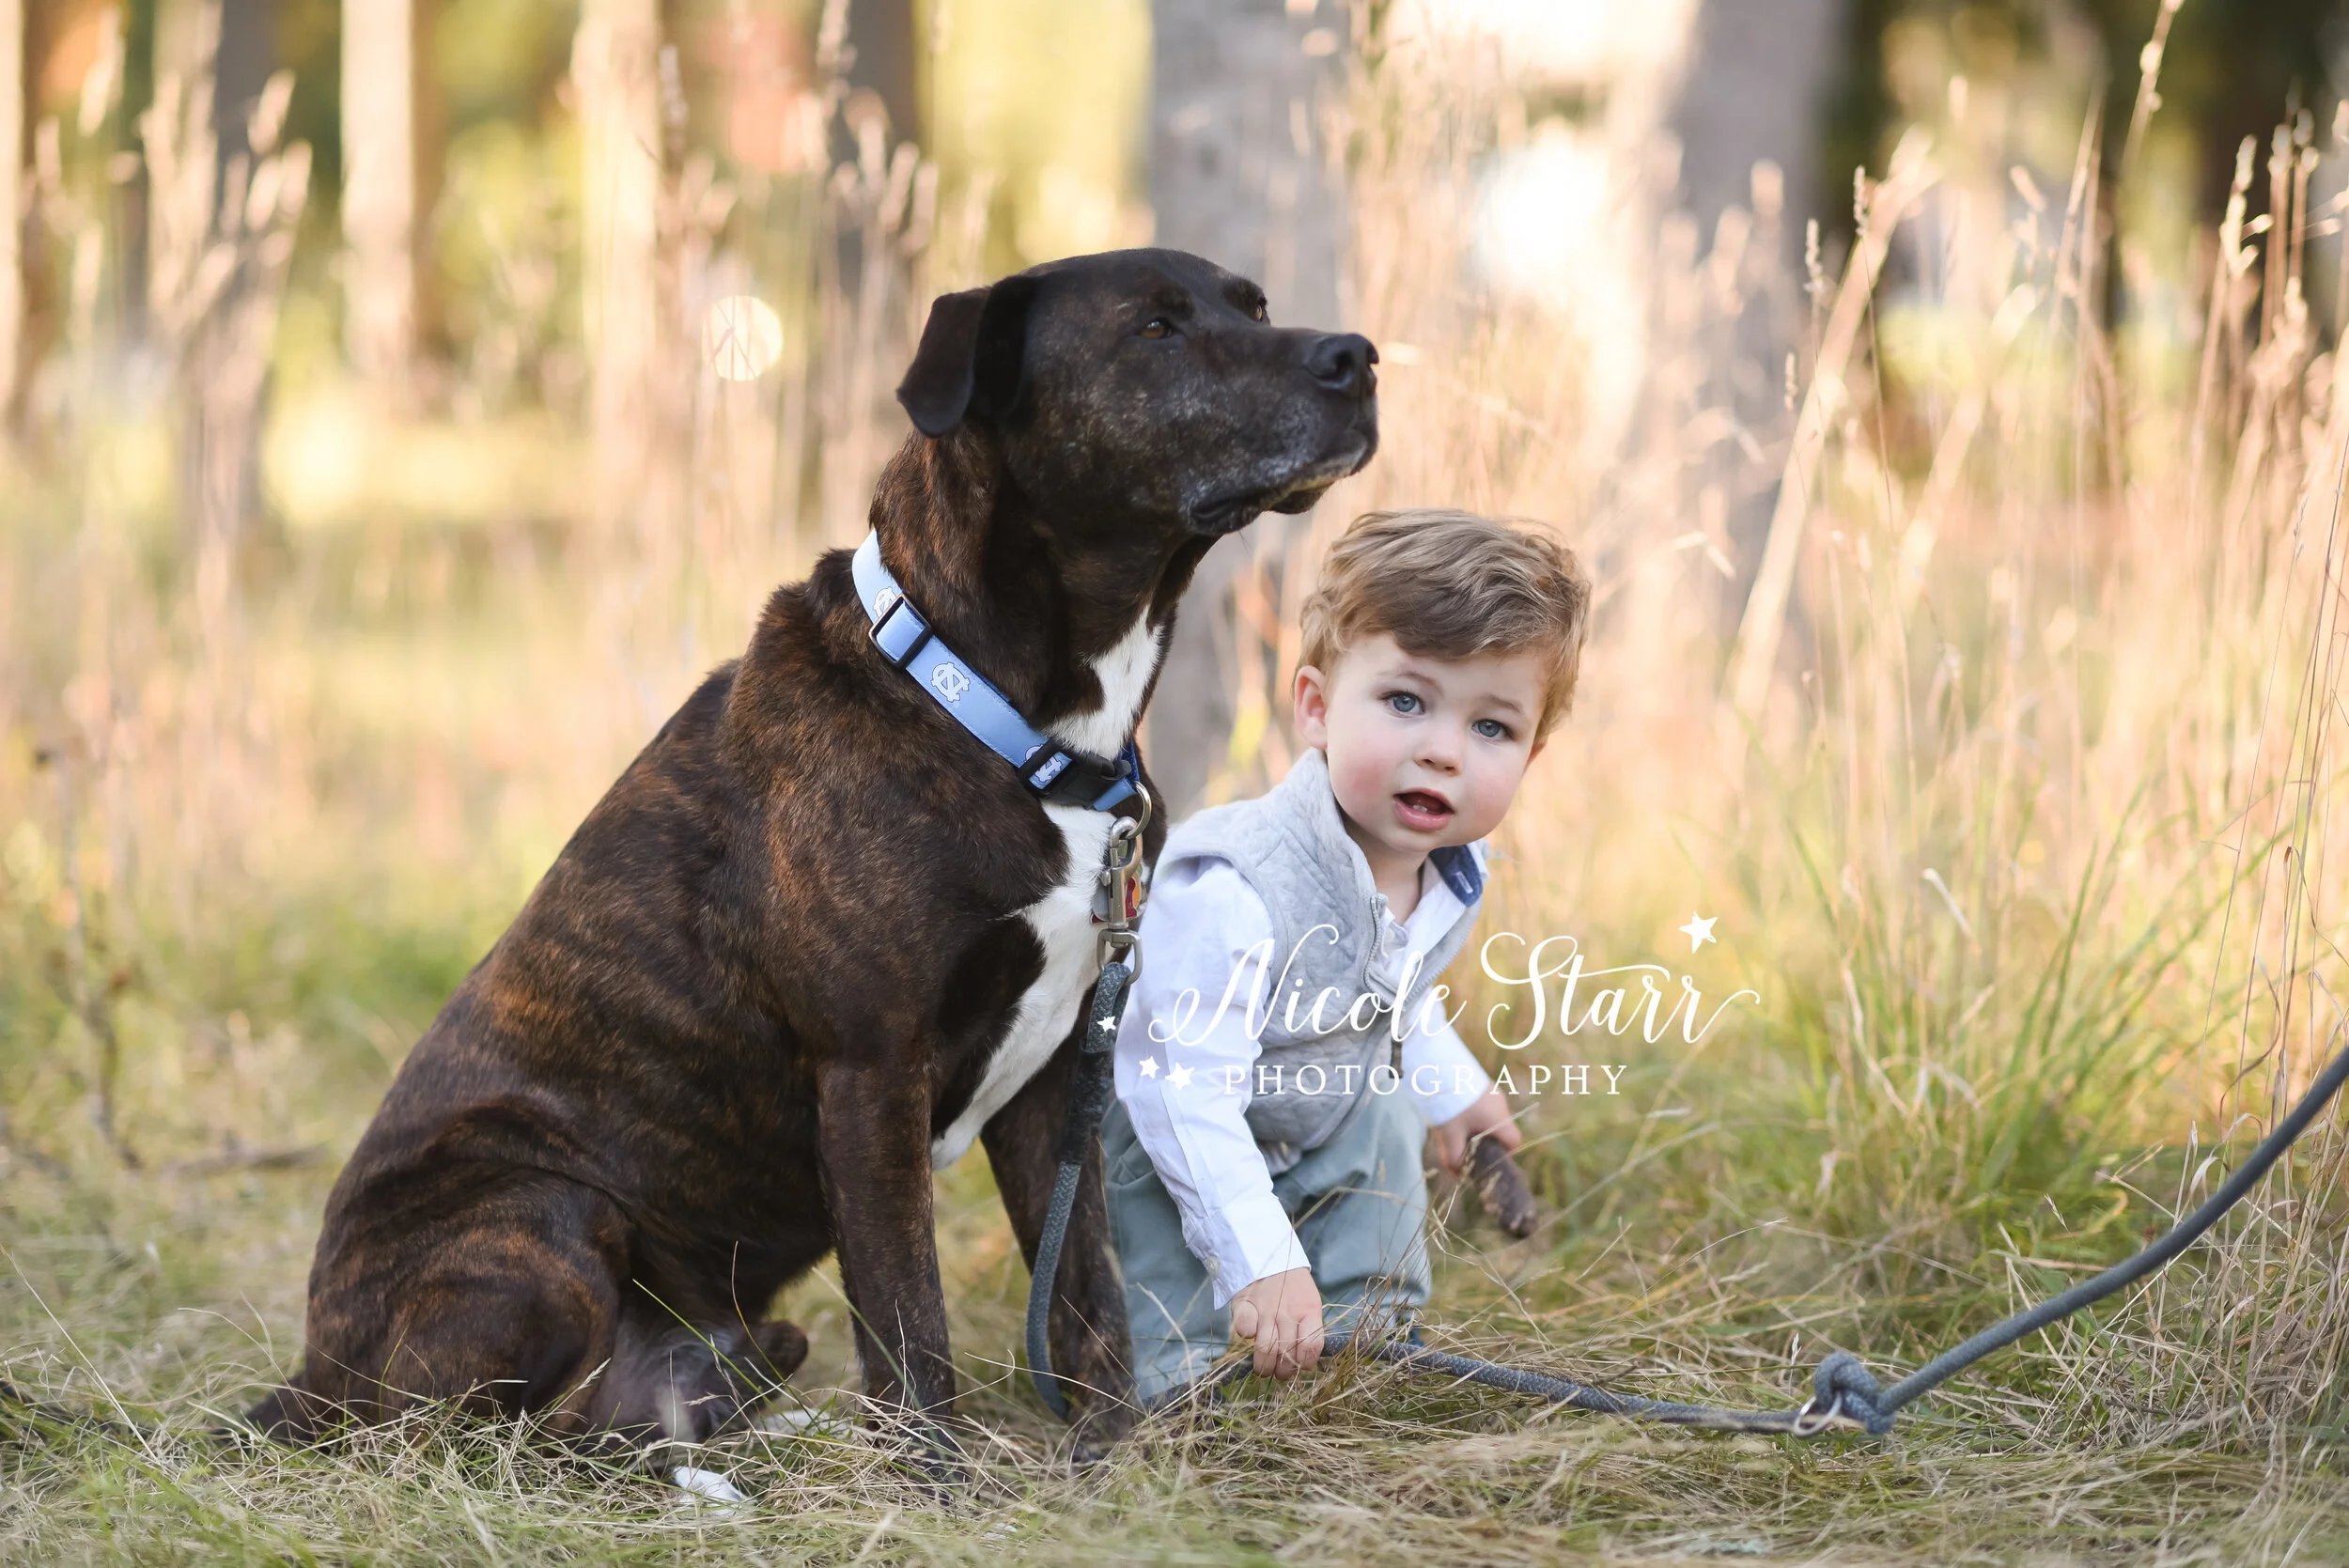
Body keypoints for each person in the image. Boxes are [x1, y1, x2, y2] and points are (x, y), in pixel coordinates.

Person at [1104, 507, 1593, 1407]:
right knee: (1190, 1322)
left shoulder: (1450, 873)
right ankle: (1189, 1390)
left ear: (1532, 752)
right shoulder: (1236, 889)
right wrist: (1258, 1261)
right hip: (1193, 1125)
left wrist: (1455, 1092)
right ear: (1318, 707)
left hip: (1320, 1114)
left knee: (1384, 1113)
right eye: (1405, 701)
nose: (1442, 750)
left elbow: (1395, 998)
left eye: (1493, 728)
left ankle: (1370, 1338)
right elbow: (1179, 1089)